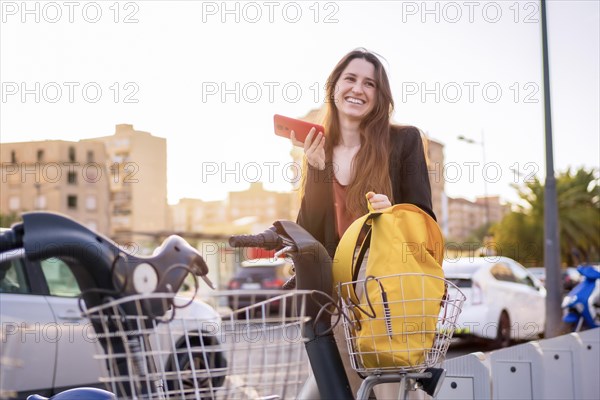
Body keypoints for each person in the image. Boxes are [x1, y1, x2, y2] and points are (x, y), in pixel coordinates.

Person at [291, 48, 435, 399]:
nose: (358, 89)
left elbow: (423, 216)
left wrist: (394, 213)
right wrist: (316, 170)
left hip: (385, 291)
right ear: (334, 88)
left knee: (388, 388)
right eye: (350, 79)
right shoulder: (318, 149)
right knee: (338, 387)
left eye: (369, 83)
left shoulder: (404, 141)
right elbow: (310, 231)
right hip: (337, 295)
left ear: (379, 95)